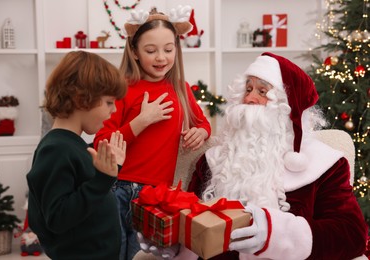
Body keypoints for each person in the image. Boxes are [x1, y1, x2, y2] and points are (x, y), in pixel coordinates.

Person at [139, 52, 369, 259]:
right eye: (247, 90)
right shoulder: (211, 161)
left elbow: (351, 234)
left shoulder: (325, 164)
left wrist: (277, 234)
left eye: (262, 92)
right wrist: (169, 240)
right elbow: (192, 223)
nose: (249, 99)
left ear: (288, 107)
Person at [94, 6, 211, 260]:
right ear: (135, 52)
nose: (161, 57)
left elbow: (204, 124)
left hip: (156, 197)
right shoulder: (123, 88)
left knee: (145, 257)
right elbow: (102, 141)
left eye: (168, 50)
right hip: (119, 189)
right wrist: (141, 121)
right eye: (150, 50)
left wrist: (200, 133)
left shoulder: (181, 89)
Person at [26, 50, 128, 260]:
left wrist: (110, 170)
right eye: (109, 102)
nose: (114, 110)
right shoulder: (56, 150)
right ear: (83, 100)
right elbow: (57, 217)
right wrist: (103, 180)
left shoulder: (72, 144)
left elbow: (86, 194)